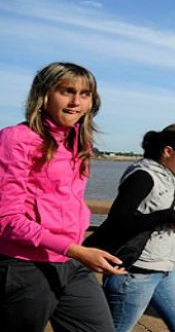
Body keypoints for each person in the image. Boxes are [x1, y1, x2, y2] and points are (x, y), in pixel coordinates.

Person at [0, 62, 124, 332]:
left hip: (70, 261)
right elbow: (6, 219)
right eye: (66, 91)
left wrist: (77, 250)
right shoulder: (16, 139)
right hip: (25, 266)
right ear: (44, 95)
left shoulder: (80, 143)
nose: (75, 102)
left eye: (85, 94)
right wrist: (77, 250)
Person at [85, 124, 175, 332]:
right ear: (168, 151)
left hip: (166, 268)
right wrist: (169, 216)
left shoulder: (170, 176)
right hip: (135, 273)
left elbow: (154, 214)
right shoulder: (144, 176)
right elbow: (118, 222)